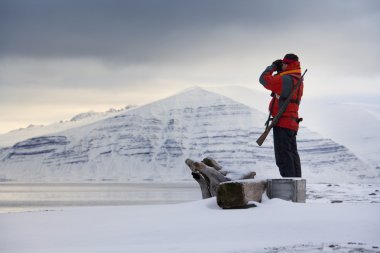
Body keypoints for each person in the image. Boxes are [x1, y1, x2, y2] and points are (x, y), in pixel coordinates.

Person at [259, 53, 304, 177]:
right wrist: (280, 72)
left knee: (283, 158)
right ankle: (296, 185)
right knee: (292, 155)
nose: (281, 65)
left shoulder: (286, 79)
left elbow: (263, 79)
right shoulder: (296, 78)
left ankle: (289, 187)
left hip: (282, 122)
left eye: (283, 63)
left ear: (288, 64)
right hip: (291, 123)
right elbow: (278, 84)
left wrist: (272, 67)